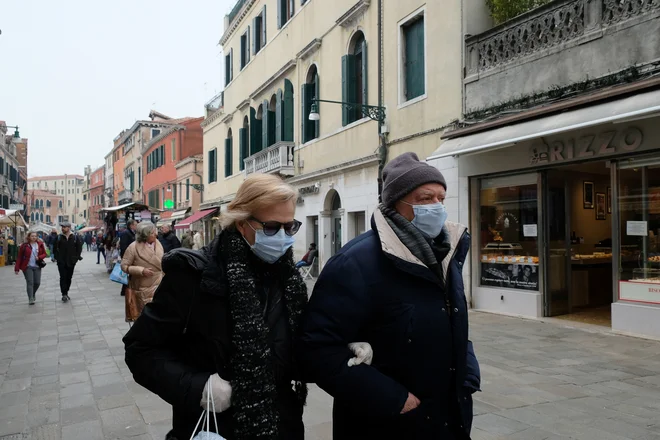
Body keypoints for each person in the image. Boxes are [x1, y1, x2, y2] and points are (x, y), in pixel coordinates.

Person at [124, 174, 367, 440]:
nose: (283, 237)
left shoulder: (289, 280)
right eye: (272, 227)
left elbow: (297, 351)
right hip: (214, 428)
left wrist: (340, 349)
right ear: (242, 224)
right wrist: (199, 388)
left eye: (290, 227)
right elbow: (141, 350)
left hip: (283, 426)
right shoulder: (194, 276)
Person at [298, 152, 481, 440]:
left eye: (441, 199)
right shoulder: (354, 263)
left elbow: (453, 321)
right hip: (386, 423)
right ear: (396, 202)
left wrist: (467, 371)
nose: (437, 207)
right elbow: (317, 350)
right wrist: (394, 399)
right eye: (425, 198)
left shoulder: (446, 254)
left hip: (449, 417)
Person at [121, 222, 164, 322]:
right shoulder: (133, 247)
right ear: (146, 234)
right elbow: (124, 266)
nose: (156, 234)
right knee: (145, 319)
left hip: (160, 285)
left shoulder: (158, 243)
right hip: (144, 288)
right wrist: (141, 270)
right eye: (153, 233)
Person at [14, 232, 47, 305]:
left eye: (35, 236)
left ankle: (33, 293)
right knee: (30, 282)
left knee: (37, 283)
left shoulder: (40, 244)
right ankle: (30, 298)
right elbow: (19, 257)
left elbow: (45, 254)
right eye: (32, 236)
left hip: (37, 266)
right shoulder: (24, 246)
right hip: (27, 267)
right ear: (29, 237)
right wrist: (17, 268)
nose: (34, 237)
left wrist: (39, 257)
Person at [53, 222, 83, 302]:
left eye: (64, 227)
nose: (63, 228)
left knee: (69, 278)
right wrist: (57, 258)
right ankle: (64, 294)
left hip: (71, 261)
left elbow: (79, 249)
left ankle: (66, 291)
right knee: (63, 277)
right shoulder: (59, 237)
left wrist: (75, 259)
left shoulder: (75, 237)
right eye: (62, 227)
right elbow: (54, 249)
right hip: (61, 262)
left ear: (69, 227)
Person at [119, 220, 138, 296]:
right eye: (135, 224)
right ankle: (124, 290)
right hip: (128, 257)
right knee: (128, 274)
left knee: (129, 274)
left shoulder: (132, 233)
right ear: (131, 225)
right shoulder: (126, 233)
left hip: (130, 256)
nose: (136, 226)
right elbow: (124, 246)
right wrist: (125, 257)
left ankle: (125, 290)